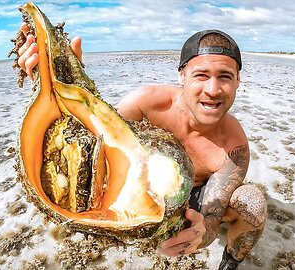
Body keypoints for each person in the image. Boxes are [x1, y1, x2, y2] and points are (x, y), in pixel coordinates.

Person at [17, 24, 267, 270]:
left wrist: (200, 234)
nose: (212, 90)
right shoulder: (146, 104)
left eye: (225, 77)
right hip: (138, 190)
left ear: (238, 81)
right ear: (182, 75)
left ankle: (230, 263)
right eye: (201, 75)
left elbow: (212, 216)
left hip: (192, 201)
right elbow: (97, 137)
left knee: (252, 202)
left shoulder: (234, 147)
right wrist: (61, 77)